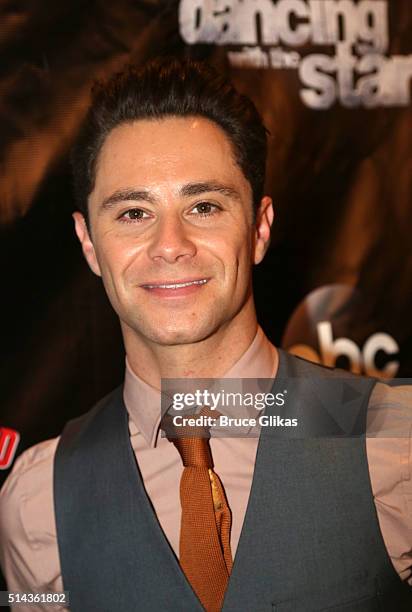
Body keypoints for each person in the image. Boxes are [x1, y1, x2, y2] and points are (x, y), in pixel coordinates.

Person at [0, 56, 411, 612]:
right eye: (132, 214)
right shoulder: (37, 499)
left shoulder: (397, 442)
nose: (171, 243)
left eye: (204, 205)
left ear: (259, 228)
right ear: (89, 243)